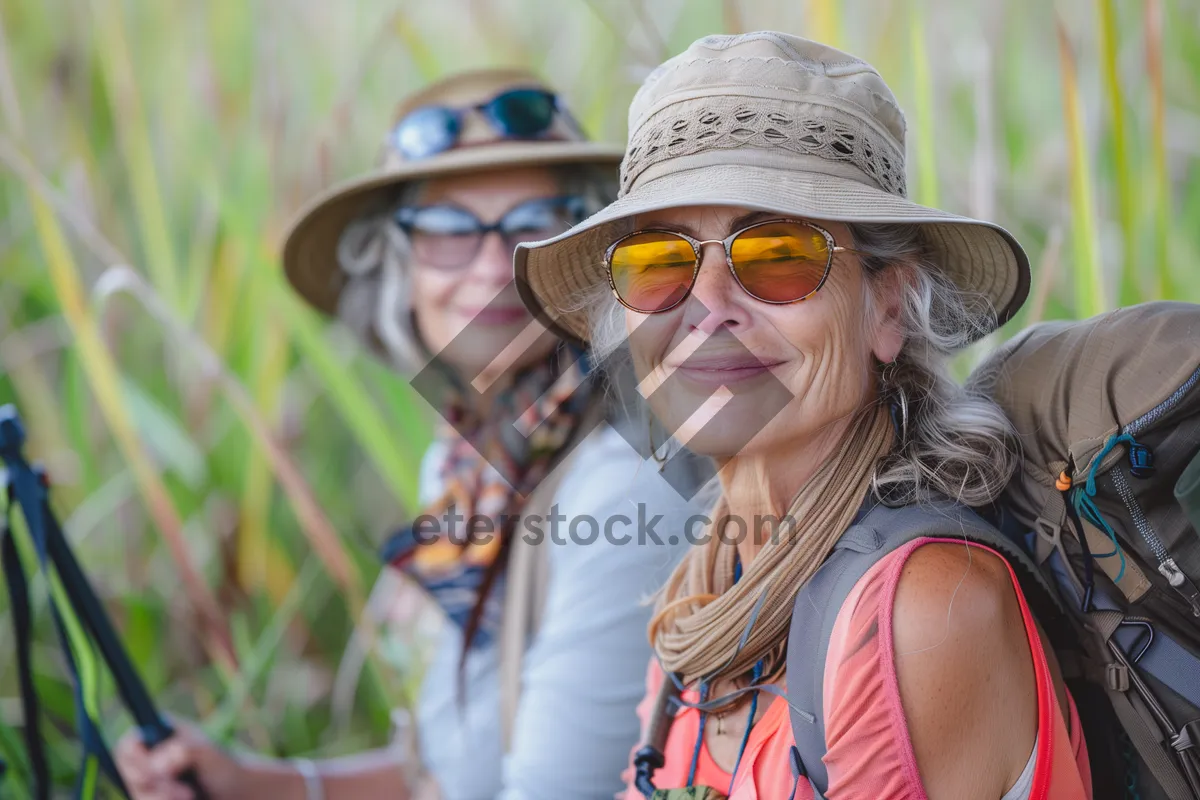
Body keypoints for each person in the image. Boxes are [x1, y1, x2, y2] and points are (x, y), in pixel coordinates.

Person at [516, 33, 1093, 799]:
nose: (708, 308)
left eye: (778, 254)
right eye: (659, 263)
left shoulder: (918, 611)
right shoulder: (710, 587)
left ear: (887, 306)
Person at [115, 69, 697, 800]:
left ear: (587, 259)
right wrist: (251, 784)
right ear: (397, 267)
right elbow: (452, 777)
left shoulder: (620, 480)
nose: (491, 265)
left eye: (534, 224)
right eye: (449, 231)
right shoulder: (468, 463)